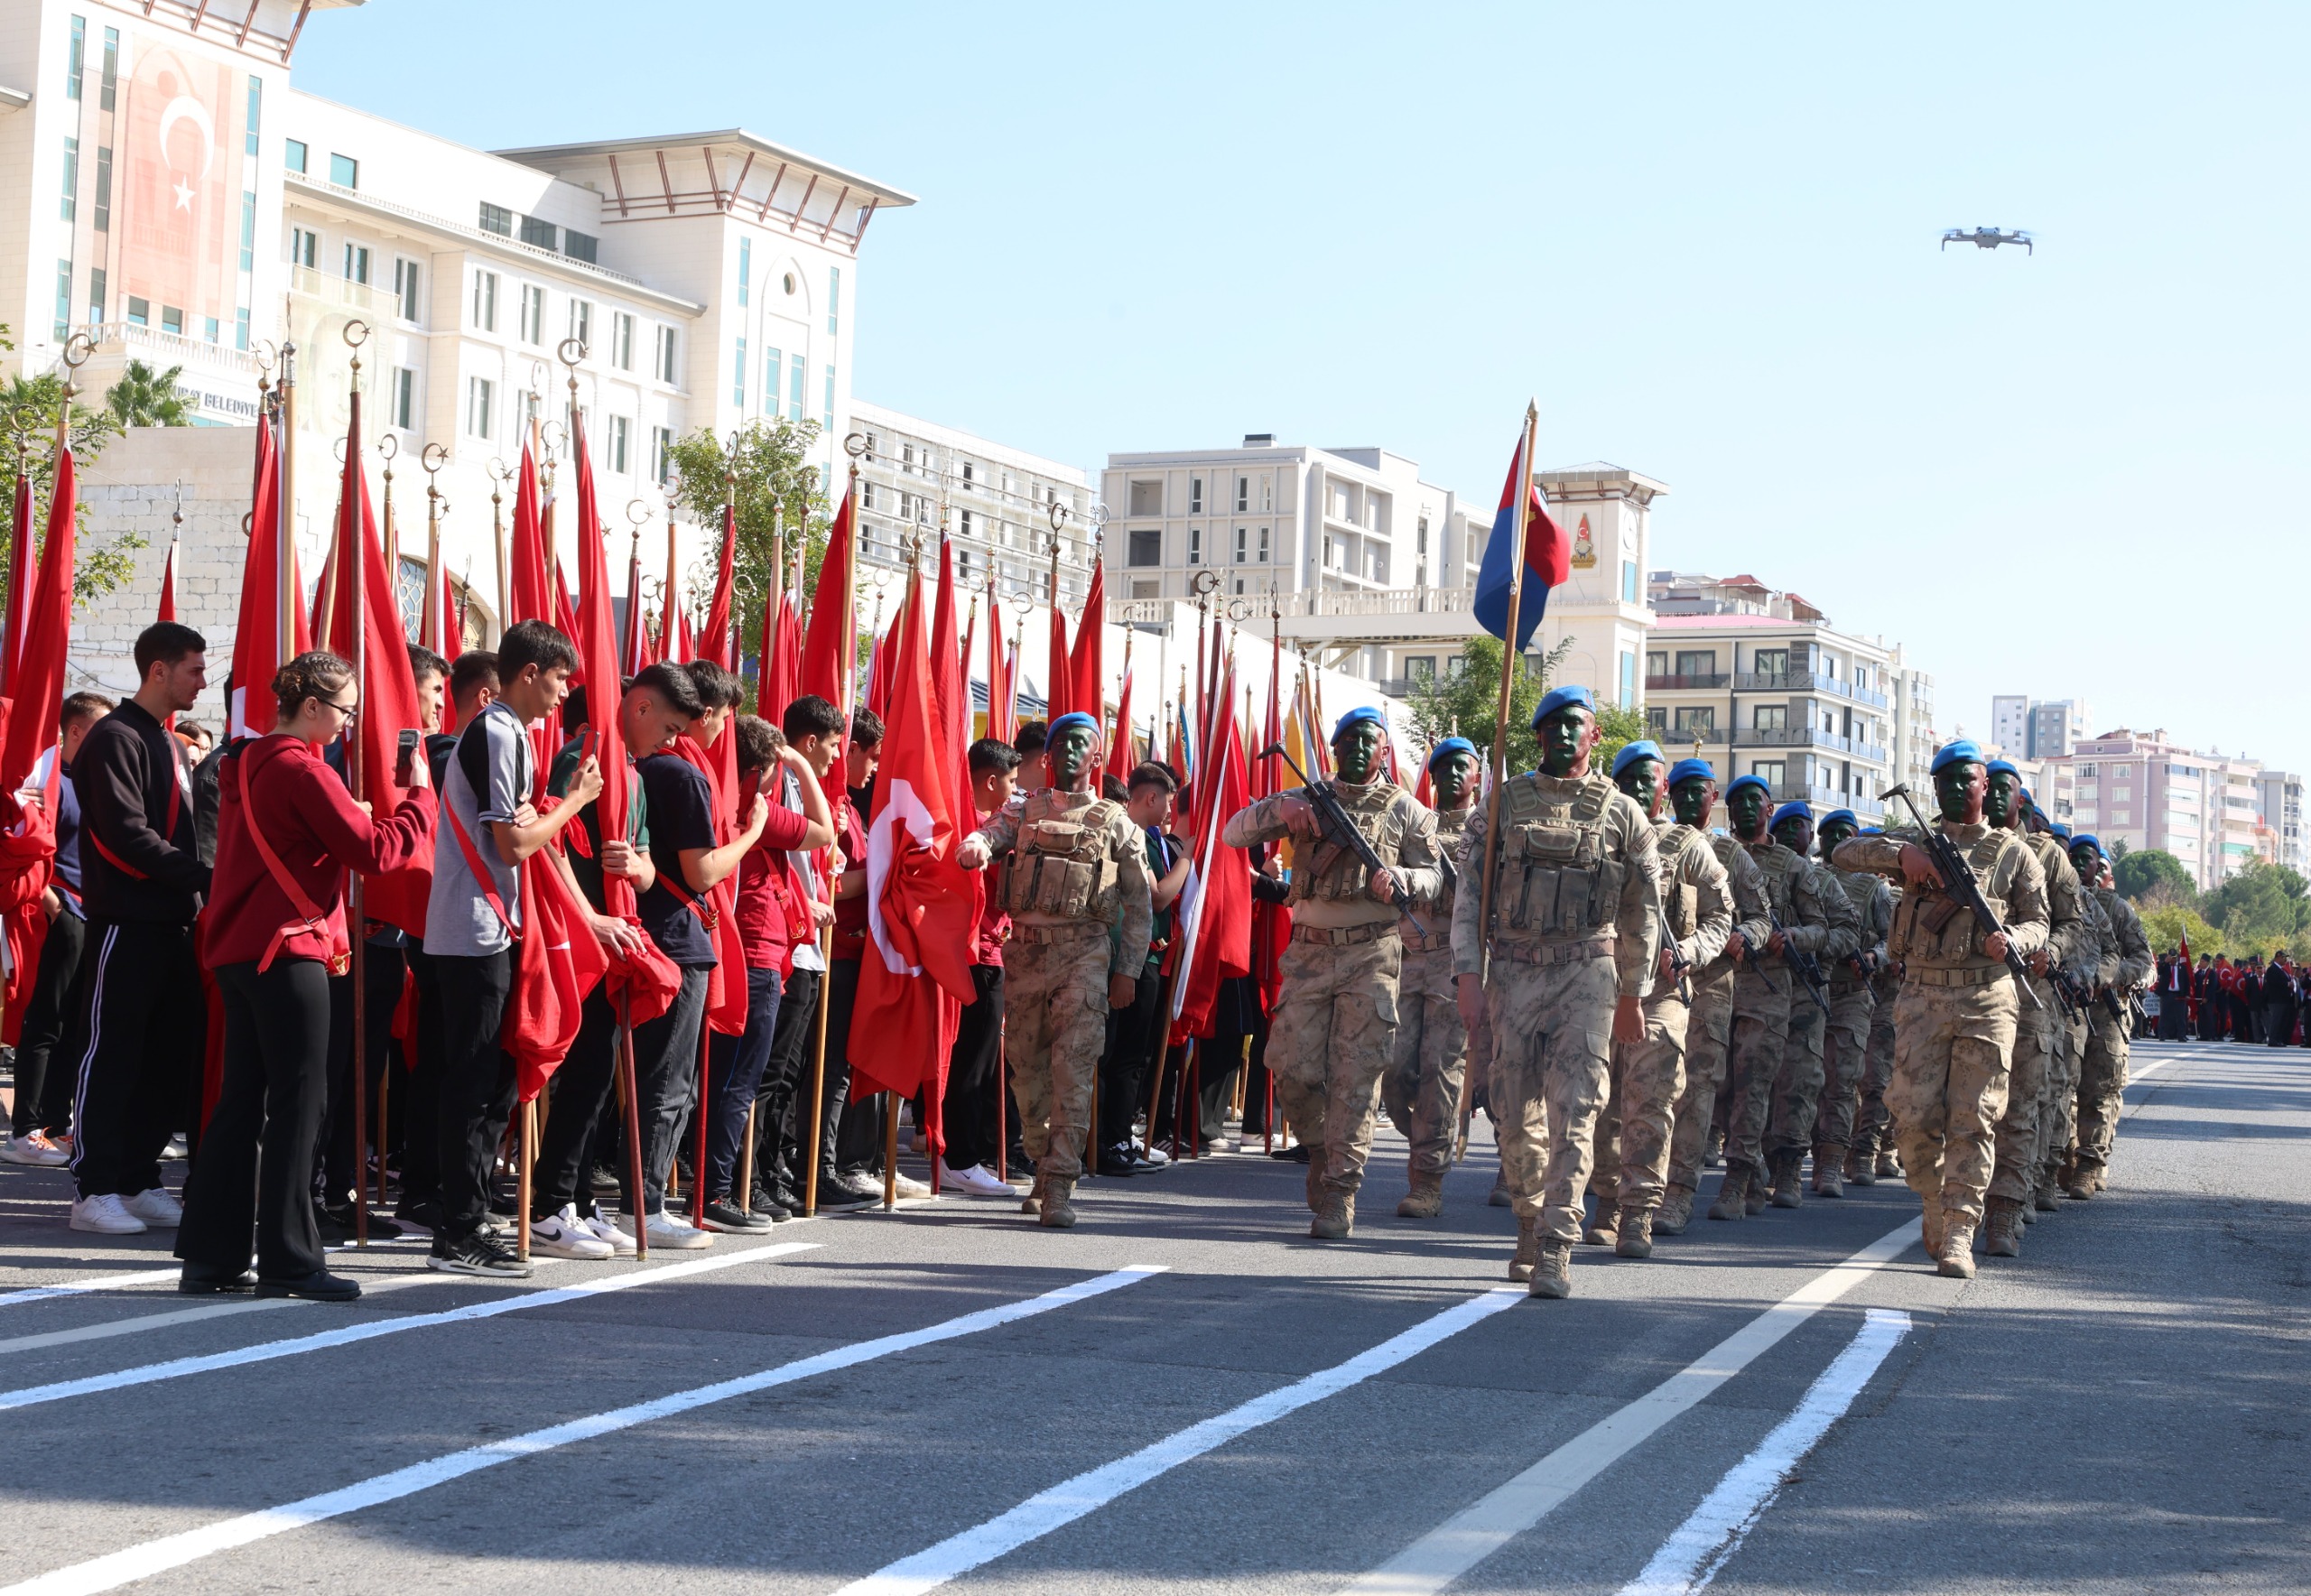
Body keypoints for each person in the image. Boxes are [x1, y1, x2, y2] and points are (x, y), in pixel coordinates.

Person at [175, 652, 435, 1300]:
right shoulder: (302, 769)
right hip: (289, 951)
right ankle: (291, 1259)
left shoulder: (249, 760)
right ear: (312, 707)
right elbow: (377, 852)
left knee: (239, 1103)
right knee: (300, 1103)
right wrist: (419, 799)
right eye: (344, 710)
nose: (349, 724)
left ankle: (213, 1256)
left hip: (240, 949)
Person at [1449, 688, 1656, 1297]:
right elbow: (1470, 895)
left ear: (1595, 738)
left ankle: (1556, 1245)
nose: (1565, 735)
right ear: (1538, 737)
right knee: (1514, 1115)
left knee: (1577, 1111)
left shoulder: (1623, 814)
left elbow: (1643, 911)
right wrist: (1467, 975)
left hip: (1587, 974)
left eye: (1577, 726)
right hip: (1513, 974)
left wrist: (1632, 994)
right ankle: (1528, 1219)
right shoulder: (1500, 807)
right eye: (1553, 726)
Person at [1223, 705, 1441, 1241]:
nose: (1360, 750)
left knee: (1356, 1078)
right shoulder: (1308, 797)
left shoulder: (1406, 811)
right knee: (1290, 1068)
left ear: (1384, 752)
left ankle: (1340, 1192)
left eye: (1370, 741)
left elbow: (1436, 876)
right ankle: (1321, 1143)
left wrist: (1404, 879)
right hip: (1308, 954)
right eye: (1350, 741)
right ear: (1334, 749)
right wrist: (1284, 806)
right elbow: (1233, 833)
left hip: (1372, 955)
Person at [1832, 739, 2049, 1276]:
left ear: (1985, 786)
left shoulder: (2015, 853)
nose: (1956, 787)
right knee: (1910, 1116)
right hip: (1922, 995)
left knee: (1974, 1119)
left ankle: (1959, 1231)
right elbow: (1843, 854)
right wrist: (1901, 857)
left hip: (1987, 997)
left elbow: (2041, 922)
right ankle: (1933, 1199)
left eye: (1966, 778)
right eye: (1944, 779)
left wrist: (2015, 940)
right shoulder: (1914, 841)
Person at [423, 619, 597, 1276]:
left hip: (493, 926)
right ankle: (458, 1229)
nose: (562, 695)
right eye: (558, 680)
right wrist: (573, 802)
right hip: (473, 928)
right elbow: (513, 844)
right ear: (529, 673)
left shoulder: (514, 734)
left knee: (490, 1083)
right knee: (471, 1083)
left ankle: (468, 1214)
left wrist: (543, 812)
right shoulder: (497, 731)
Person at [524, 662, 699, 1257]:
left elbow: (648, 870)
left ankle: (574, 1196)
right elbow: (546, 841)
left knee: (600, 1074)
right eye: (670, 728)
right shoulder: (584, 757)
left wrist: (636, 867)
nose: (672, 744)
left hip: (616, 941)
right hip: (576, 937)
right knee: (582, 1071)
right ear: (641, 707)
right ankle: (550, 1204)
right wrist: (589, 915)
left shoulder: (635, 775)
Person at [958, 711, 1153, 1228]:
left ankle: (1061, 1183)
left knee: (1074, 1068)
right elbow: (991, 833)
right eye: (1062, 743)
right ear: (1046, 756)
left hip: (1084, 955)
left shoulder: (1116, 822)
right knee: (1027, 1071)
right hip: (1025, 953)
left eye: (1081, 744)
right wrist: (977, 847)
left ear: (1096, 757)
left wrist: (1127, 970)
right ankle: (1044, 1162)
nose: (1070, 752)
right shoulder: (1023, 811)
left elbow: (1138, 905)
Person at [61, 622, 210, 1236]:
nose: (203, 680)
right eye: (194, 669)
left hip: (172, 922)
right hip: (125, 919)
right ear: (158, 670)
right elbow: (121, 837)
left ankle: (137, 1176)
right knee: (114, 1051)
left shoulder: (172, 745)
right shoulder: (113, 737)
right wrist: (198, 876)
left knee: (165, 1056)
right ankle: (93, 1188)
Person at [1586, 739, 1733, 1257]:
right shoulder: (1598, 837)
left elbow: (1723, 916)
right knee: (1600, 1104)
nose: (1640, 789)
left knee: (1651, 1104)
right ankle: (1604, 1198)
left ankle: (1638, 1213)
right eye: (1630, 781)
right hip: (1598, 987)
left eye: (1650, 780)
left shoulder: (1686, 844)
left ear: (1663, 789)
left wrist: (1692, 949)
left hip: (1661, 994)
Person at [697, 713, 830, 1229]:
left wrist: (788, 760)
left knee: (730, 1079)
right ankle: (716, 1191)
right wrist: (796, 762)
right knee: (738, 1081)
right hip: (753, 956)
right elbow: (822, 831)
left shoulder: (731, 801)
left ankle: (717, 1184)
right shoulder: (752, 809)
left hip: (746, 953)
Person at [397, 649, 497, 1234]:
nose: (438, 702)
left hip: (440, 924)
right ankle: (423, 1188)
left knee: (442, 1063)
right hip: (437, 926)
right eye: (432, 690)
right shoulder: (440, 752)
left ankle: (435, 1186)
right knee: (441, 1066)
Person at [1710, 773, 1838, 1222]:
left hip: (1768, 987)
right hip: (1715, 981)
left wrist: (1794, 937)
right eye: (1737, 800)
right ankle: (1753, 1158)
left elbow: (1824, 929)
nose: (1746, 807)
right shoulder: (1712, 854)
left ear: (1769, 809)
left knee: (1755, 1084)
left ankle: (1741, 1178)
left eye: (1755, 800)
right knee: (1717, 1086)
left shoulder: (1794, 866)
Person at [1657, 760, 1772, 1235]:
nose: (1688, 799)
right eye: (1680, 791)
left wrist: (1743, 933)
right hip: (1658, 983)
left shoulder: (1730, 854)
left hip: (1710, 985)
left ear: (1713, 796)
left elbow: (1763, 917)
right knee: (1656, 1085)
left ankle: (1679, 1192)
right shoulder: (1653, 840)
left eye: (1698, 791)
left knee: (1701, 1085)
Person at [1978, 771, 2083, 1257]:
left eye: (2006, 789)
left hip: (2027, 996)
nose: (1996, 795)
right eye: (1989, 785)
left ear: (2020, 800)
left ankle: (2004, 1211)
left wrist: (2054, 953)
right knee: (1966, 1109)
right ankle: (1959, 1205)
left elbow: (2071, 922)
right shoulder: (1955, 845)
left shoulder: (2047, 854)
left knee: (2019, 1107)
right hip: (1969, 997)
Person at [747, 693, 844, 1217]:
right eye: (829, 746)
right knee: (767, 1071)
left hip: (801, 938)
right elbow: (773, 848)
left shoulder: (796, 784)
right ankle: (753, 1173)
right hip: (779, 936)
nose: (835, 756)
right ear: (806, 743)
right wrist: (802, 765)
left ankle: (772, 1166)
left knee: (787, 1072)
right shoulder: (775, 780)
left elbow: (818, 843)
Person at [5, 691, 110, 1167]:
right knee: (45, 1021)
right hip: (59, 913)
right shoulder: (45, 778)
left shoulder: (96, 781)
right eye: (101, 730)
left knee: (77, 1029)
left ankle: (58, 1124)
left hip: (97, 915)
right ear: (74, 731)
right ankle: (26, 1129)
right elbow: (31, 844)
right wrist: (55, 906)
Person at [1382, 738, 1480, 1219]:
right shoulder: (1414, 823)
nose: (1450, 776)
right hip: (1404, 957)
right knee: (1397, 1068)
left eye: (1461, 768)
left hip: (1452, 961)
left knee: (1441, 1071)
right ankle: (1427, 1132)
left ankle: (1427, 1179)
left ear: (1477, 777)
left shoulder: (1488, 830)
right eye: (1441, 768)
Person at [1758, 802, 1861, 1210]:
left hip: (1806, 988)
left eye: (1798, 826)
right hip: (1761, 986)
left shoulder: (1822, 880)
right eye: (1782, 827)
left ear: (1809, 834)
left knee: (1801, 1082)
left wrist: (1811, 944)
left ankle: (1792, 1168)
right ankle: (1757, 1162)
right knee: (1757, 1078)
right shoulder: (1753, 870)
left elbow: (1848, 930)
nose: (1788, 833)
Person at [939, 738, 1026, 1195]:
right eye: (1011, 782)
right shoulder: (980, 830)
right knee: (973, 1062)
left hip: (989, 950)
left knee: (979, 1060)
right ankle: (960, 1157)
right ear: (991, 781)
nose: (1015, 792)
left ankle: (963, 1154)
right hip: (979, 953)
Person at [1099, 761, 1188, 1173]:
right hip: (1125, 957)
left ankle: (1116, 1136)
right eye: (1167, 800)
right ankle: (1109, 1141)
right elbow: (1155, 898)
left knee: (1132, 1056)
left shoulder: (1145, 835)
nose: (1170, 810)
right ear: (1150, 797)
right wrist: (1188, 858)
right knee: (1120, 1056)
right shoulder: (1124, 833)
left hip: (1142, 956)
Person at [1809, 807, 1891, 1199]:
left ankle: (1837, 1161)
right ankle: (1802, 1158)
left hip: (1853, 995)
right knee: (1807, 1080)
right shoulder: (1808, 878)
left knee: (1845, 1081)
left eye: (1847, 835)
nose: (1838, 841)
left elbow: (1895, 940)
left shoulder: (1876, 890)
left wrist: (1876, 957)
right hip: (1811, 988)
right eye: (1831, 835)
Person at [2065, 838, 2149, 1199]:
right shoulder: (2058, 902)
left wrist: (2108, 977)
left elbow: (2142, 959)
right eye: (2077, 859)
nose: (2085, 867)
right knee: (2062, 1088)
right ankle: (2064, 1160)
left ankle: (2089, 1164)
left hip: (2106, 1008)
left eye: (2091, 861)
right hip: (2067, 1005)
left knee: (2100, 1089)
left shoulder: (2117, 910)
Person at [2262, 954, 2297, 1049]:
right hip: (2276, 1000)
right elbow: (2272, 982)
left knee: (2281, 1020)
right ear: (2277, 958)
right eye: (2283, 957)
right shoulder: (2272, 969)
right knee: (2276, 1020)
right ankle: (2273, 1040)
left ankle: (2278, 1039)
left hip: (2284, 1000)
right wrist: (2287, 984)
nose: (2285, 960)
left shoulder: (2282, 970)